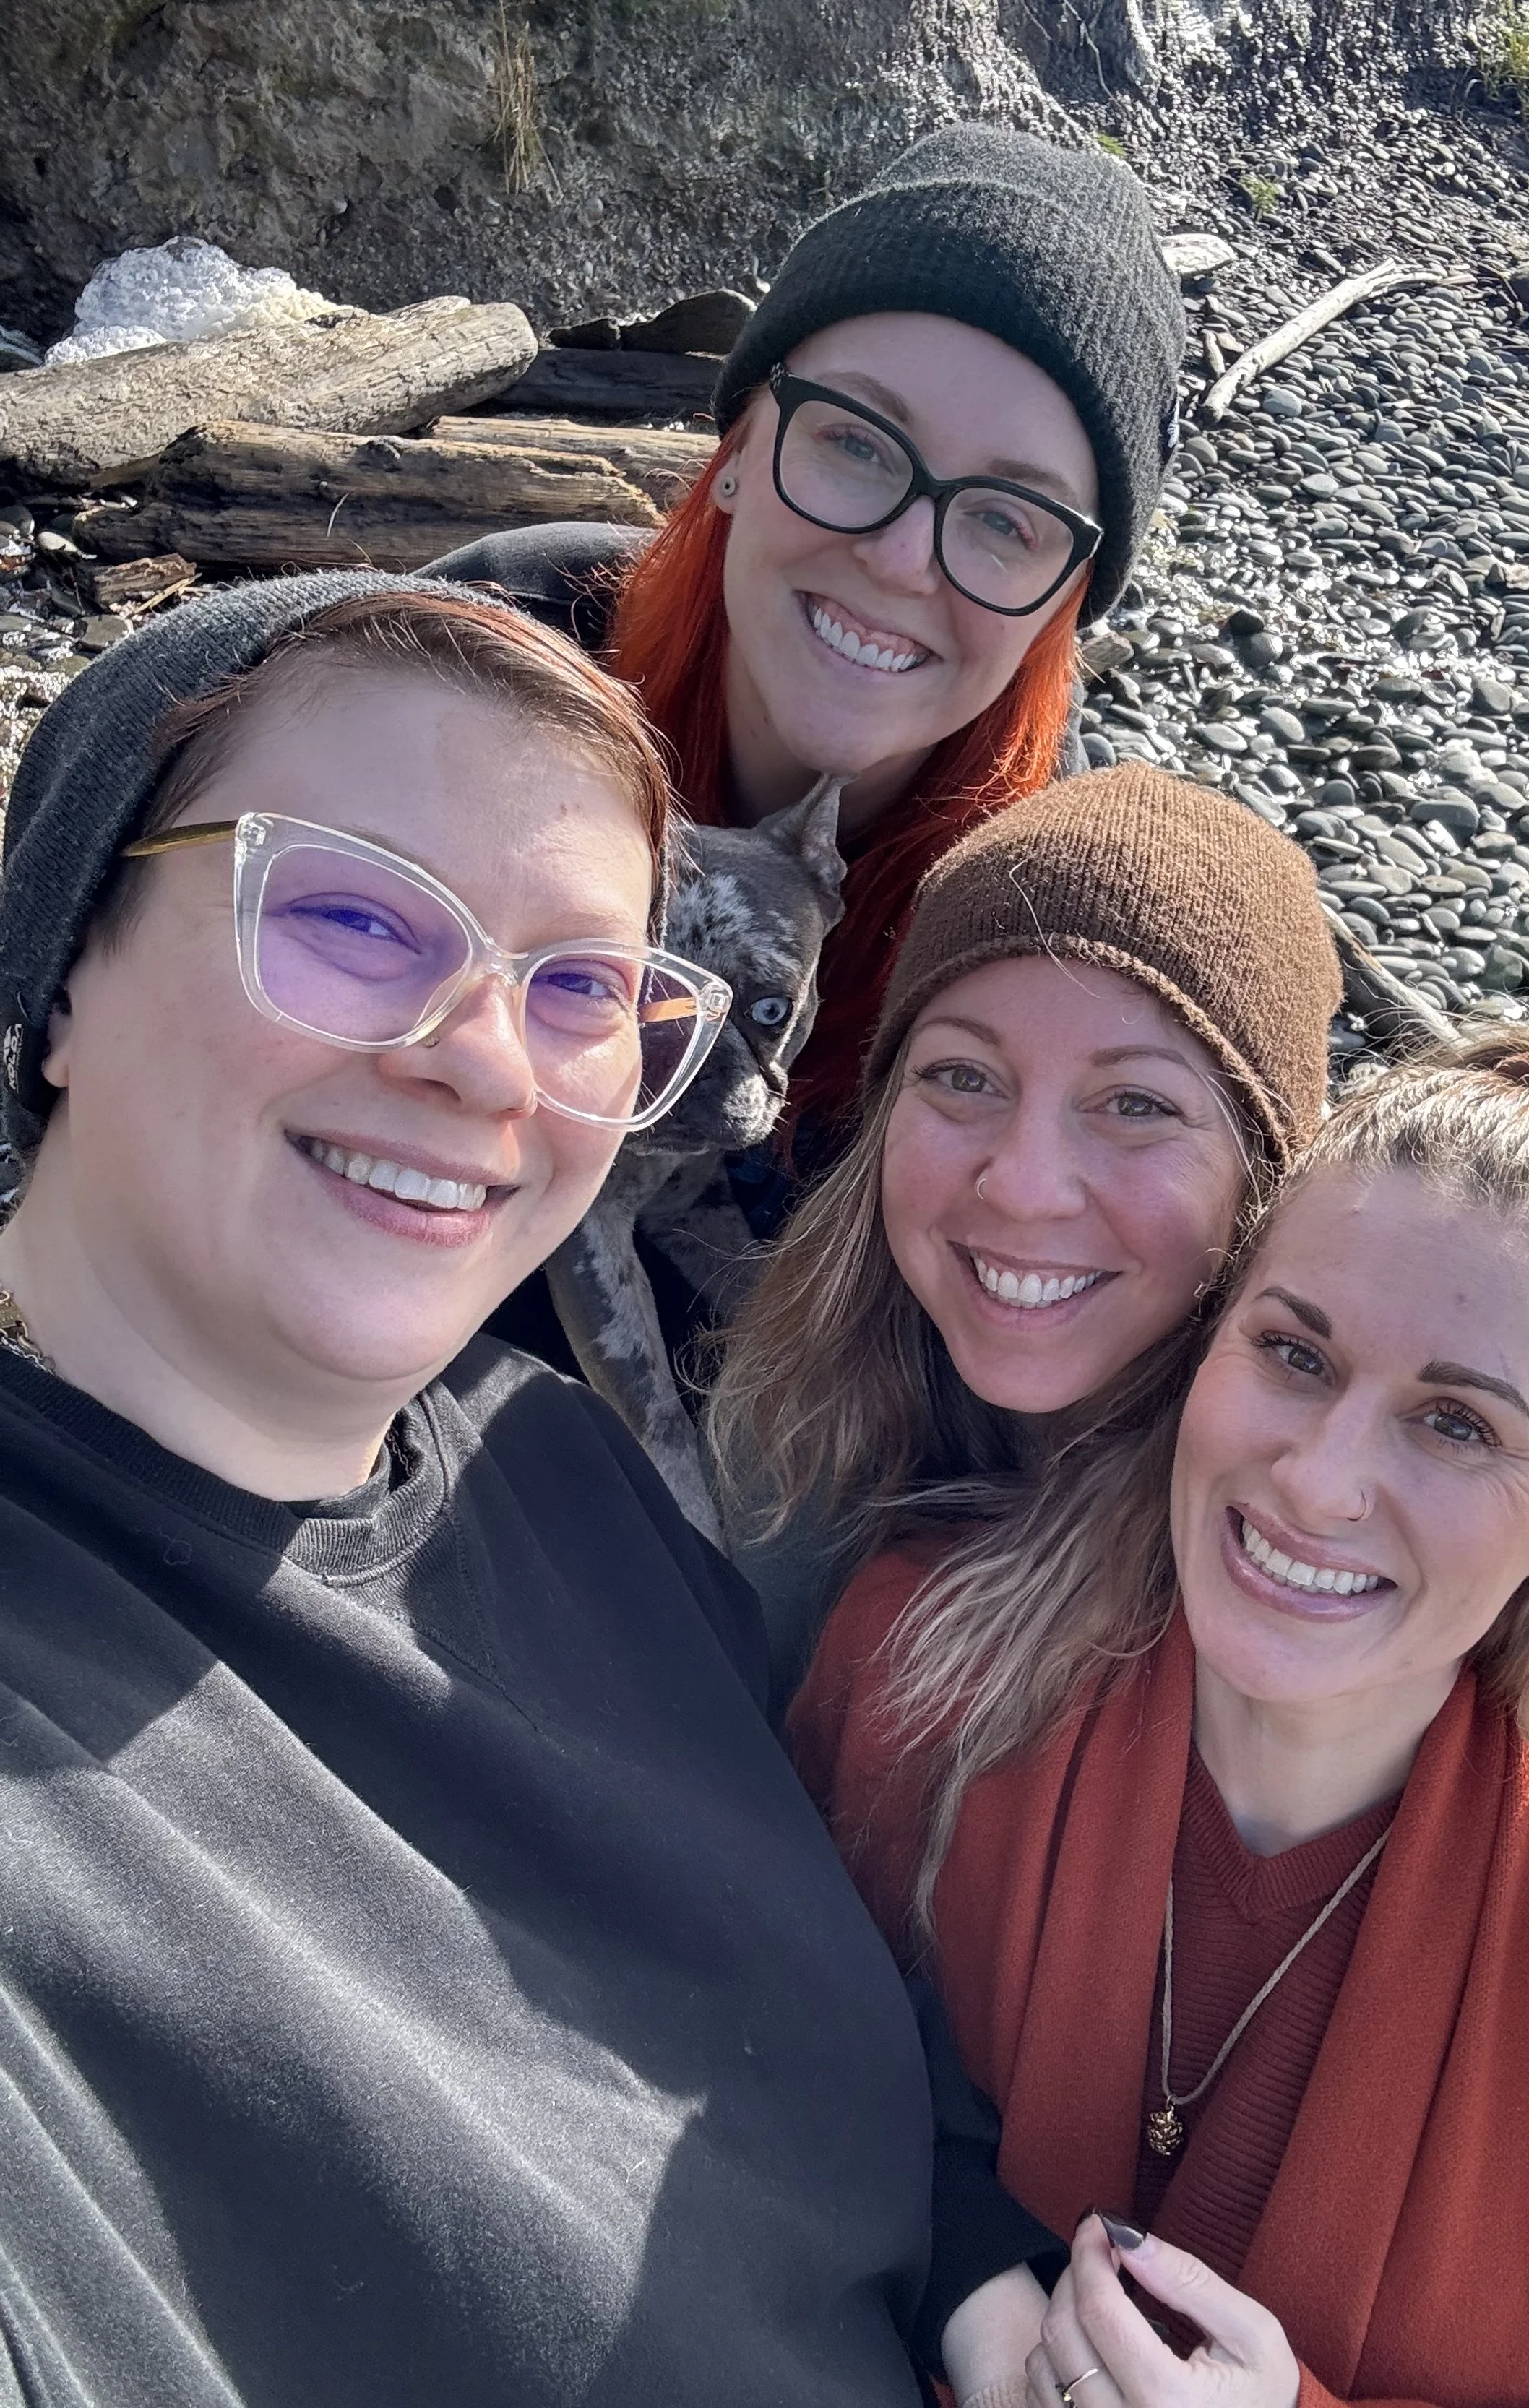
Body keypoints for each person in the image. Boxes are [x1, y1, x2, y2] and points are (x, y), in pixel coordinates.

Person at [0, 572, 939, 2408]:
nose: (484, 1058)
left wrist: (998, 2292)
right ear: (64, 968)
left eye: (579, 984)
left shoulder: (548, 1463)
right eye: (352, 913)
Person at [792, 1029, 1529, 2408]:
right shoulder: (920, 1670)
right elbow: (716, 2080)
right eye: (1294, 1353)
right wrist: (967, 2289)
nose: (1320, 1481)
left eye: (1455, 1425)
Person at [431, 120, 1186, 1146]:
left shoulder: (1059, 904)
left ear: (1064, 602)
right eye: (858, 445)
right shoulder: (494, 643)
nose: (902, 560)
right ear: (738, 445)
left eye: (1008, 520)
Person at [705, 762, 1342, 1703]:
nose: (1025, 1189)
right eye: (964, 1078)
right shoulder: (796, 1420)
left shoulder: (1325, 1547)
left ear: (1266, 1174)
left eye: (1135, 1103)